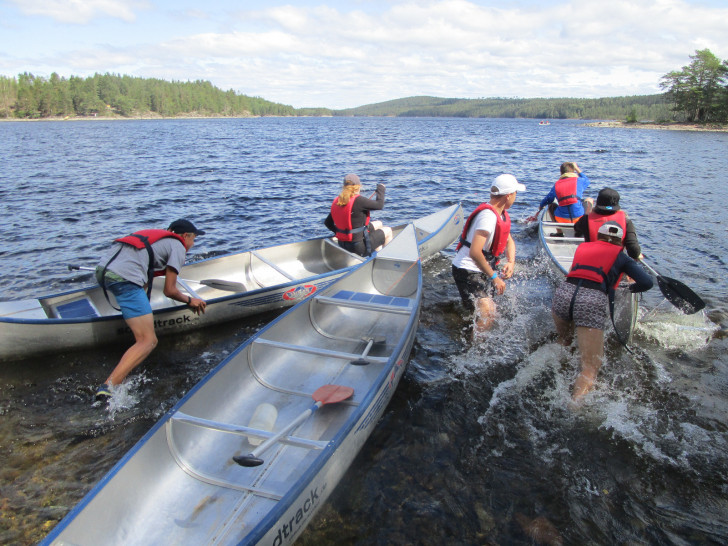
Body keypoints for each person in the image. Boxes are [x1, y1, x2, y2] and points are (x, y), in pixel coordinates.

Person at [93, 219, 207, 402]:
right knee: (148, 341)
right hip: (124, 278)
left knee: (139, 313)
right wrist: (190, 300)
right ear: (185, 236)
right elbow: (169, 290)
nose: (192, 244)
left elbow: (143, 278)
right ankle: (109, 387)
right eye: (193, 239)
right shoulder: (177, 246)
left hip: (103, 271)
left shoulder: (157, 240)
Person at [551, 221, 653, 403]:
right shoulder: (622, 257)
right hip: (591, 300)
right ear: (620, 241)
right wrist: (626, 290)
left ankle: (556, 377)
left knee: (565, 340)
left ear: (598, 236)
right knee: (590, 367)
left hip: (564, 294)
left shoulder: (583, 247)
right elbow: (646, 282)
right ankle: (575, 408)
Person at [452, 173, 526, 333]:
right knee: (488, 313)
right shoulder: (488, 217)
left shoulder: (500, 214)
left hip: (482, 268)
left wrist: (511, 261)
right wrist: (495, 277)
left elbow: (509, 240)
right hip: (468, 269)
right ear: (508, 196)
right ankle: (475, 352)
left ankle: (465, 330)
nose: (516, 198)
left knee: (479, 311)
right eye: (515, 194)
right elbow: (475, 252)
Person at [324, 173, 393, 256]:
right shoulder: (359, 200)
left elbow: (327, 223)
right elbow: (379, 205)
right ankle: (385, 260)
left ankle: (376, 256)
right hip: (358, 248)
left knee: (379, 224)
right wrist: (381, 189)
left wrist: (342, 233)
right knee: (388, 230)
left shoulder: (338, 201)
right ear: (358, 186)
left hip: (342, 244)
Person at [573, 187, 642, 259]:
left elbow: (576, 228)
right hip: (615, 264)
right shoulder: (626, 221)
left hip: (592, 261)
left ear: (598, 203)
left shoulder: (586, 219)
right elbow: (633, 251)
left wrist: (588, 213)